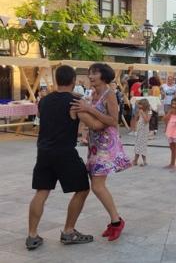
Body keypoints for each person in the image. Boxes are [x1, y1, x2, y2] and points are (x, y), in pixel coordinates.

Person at [26, 65, 94, 250]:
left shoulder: (44, 101)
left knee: (41, 192)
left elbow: (42, 117)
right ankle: (68, 231)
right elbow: (91, 123)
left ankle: (32, 235)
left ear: (57, 80)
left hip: (44, 151)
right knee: (82, 189)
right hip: (64, 152)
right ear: (73, 81)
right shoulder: (75, 101)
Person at [70, 63, 132, 242]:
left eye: (95, 73)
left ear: (104, 76)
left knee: (97, 186)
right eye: (90, 73)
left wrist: (88, 109)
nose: (91, 76)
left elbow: (114, 120)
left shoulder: (109, 94)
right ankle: (115, 221)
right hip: (95, 144)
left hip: (107, 144)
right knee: (97, 185)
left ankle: (116, 221)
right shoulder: (93, 94)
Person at [132, 99, 151, 166]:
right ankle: (135, 160)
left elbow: (146, 120)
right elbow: (137, 119)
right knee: (137, 144)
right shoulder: (140, 110)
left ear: (144, 105)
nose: (139, 106)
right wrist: (137, 113)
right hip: (139, 130)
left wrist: (142, 113)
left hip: (144, 131)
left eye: (140, 105)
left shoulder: (149, 111)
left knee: (142, 144)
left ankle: (144, 161)